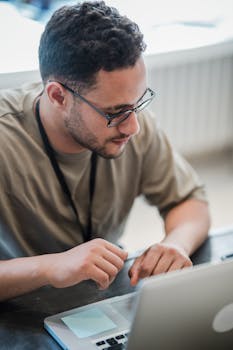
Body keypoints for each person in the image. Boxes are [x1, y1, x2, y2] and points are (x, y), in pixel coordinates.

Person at [0, 1, 210, 301]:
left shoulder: (132, 123)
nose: (133, 127)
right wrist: (50, 267)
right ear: (58, 96)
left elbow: (190, 200)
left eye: (138, 102)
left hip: (100, 300)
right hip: (19, 308)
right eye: (116, 112)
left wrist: (176, 244)